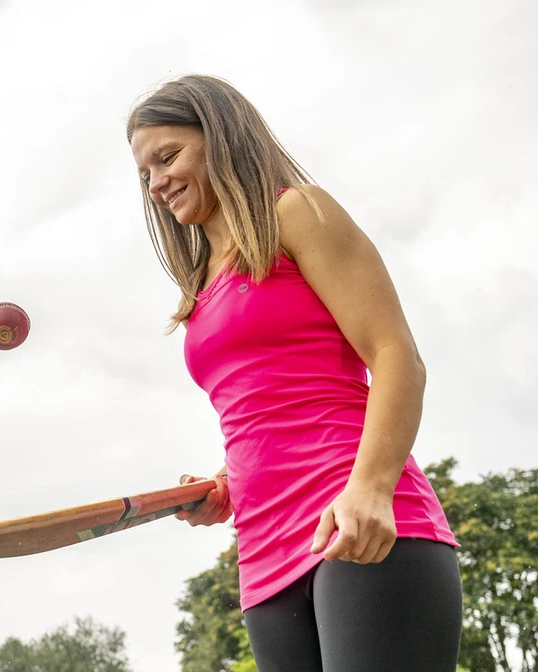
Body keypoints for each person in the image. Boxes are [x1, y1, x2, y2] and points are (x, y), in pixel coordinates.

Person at [124, 74, 463, 672]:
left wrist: (371, 487)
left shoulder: (297, 212)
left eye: (168, 157)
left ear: (221, 138)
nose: (156, 184)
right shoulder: (201, 286)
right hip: (264, 560)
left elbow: (395, 355)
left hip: (355, 520)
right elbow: (266, 404)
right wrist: (226, 483)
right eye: (145, 173)